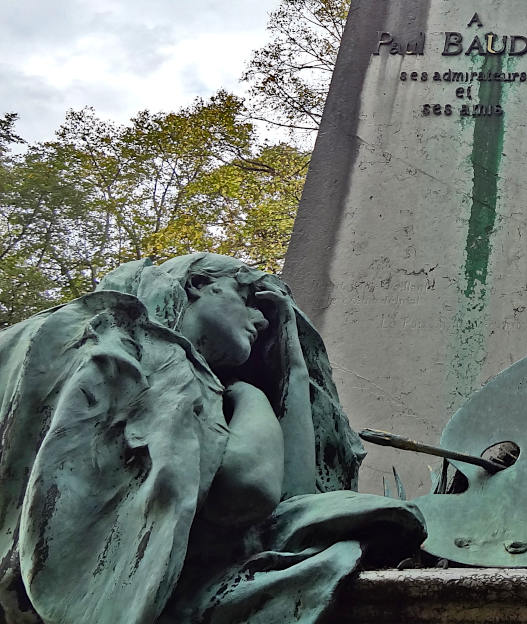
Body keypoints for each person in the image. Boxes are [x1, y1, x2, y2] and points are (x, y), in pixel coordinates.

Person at [0, 253, 426, 624]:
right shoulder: (123, 348)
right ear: (199, 285)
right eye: (248, 300)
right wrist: (252, 395)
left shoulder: (205, 392)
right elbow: (249, 491)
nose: (262, 320)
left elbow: (292, 499)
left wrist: (293, 369)